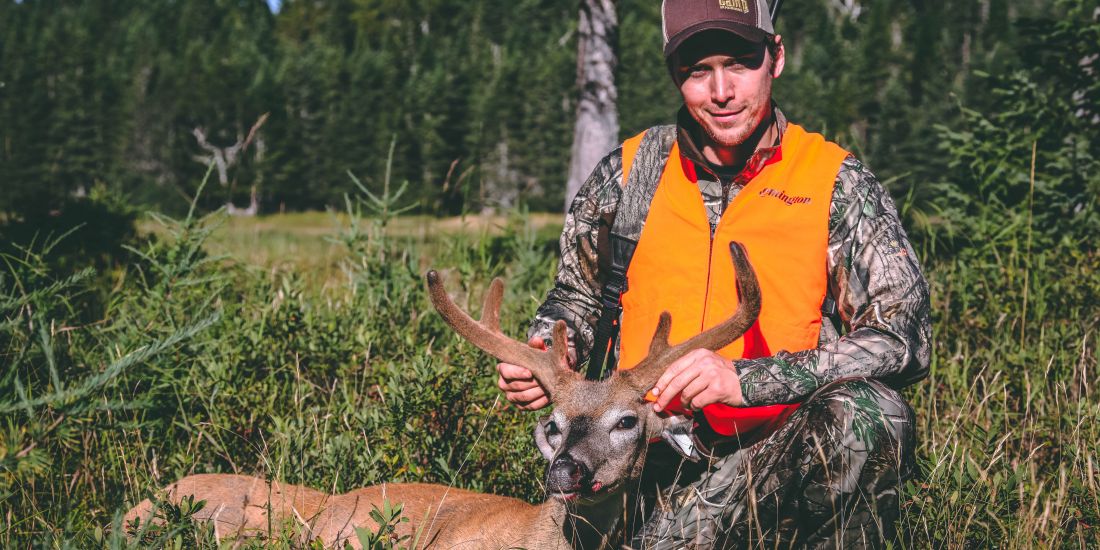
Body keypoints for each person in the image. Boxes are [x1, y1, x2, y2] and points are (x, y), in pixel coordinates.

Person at [497, 0, 931, 546]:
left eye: (740, 64)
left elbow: (903, 339)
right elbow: (577, 296)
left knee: (870, 414)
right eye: (698, 70)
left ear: (776, 58)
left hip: (777, 459)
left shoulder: (832, 183)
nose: (721, 91)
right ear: (675, 74)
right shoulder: (629, 174)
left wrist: (746, 381)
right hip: (636, 462)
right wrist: (549, 348)